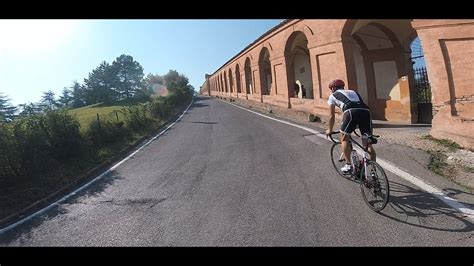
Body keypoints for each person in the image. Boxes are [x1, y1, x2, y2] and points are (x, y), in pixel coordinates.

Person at [324, 79, 376, 172]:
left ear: (333, 88)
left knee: (344, 139)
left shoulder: (332, 96)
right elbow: (359, 107)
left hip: (350, 112)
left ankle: (348, 165)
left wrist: (329, 129)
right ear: (342, 87)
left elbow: (331, 116)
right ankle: (373, 171)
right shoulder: (353, 91)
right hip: (366, 112)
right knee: (368, 143)